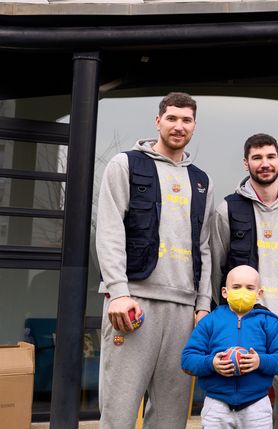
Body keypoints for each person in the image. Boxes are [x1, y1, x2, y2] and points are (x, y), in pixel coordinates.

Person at [95, 92, 214, 428]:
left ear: (194, 126)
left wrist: (203, 305)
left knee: (171, 417)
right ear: (158, 120)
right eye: (172, 118)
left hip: (182, 312)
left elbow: (204, 247)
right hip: (133, 304)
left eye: (186, 120)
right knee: (119, 412)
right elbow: (109, 230)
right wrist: (118, 292)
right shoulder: (126, 164)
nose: (179, 126)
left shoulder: (201, 181)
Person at [209, 133, 278, 429]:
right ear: (246, 163)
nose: (264, 163)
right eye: (257, 158)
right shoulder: (228, 209)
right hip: (247, 320)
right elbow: (219, 265)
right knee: (243, 401)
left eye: (270, 157)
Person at [181, 265, 278, 429]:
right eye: (236, 287)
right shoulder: (210, 321)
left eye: (250, 288)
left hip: (257, 406)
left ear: (259, 293)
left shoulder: (269, 321)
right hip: (216, 405)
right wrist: (212, 363)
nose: (243, 292)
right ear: (225, 292)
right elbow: (187, 359)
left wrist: (260, 361)